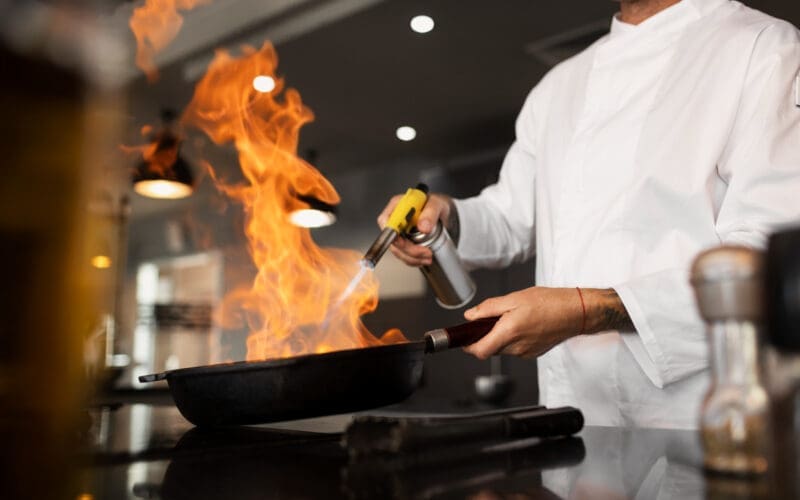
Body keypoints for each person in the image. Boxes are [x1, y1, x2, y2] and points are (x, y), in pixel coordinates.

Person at [378, 0, 800, 428]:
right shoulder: (558, 86)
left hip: (702, 416)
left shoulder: (761, 47)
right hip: (572, 411)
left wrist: (589, 310)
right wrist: (445, 216)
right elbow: (508, 216)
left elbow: (771, 256)